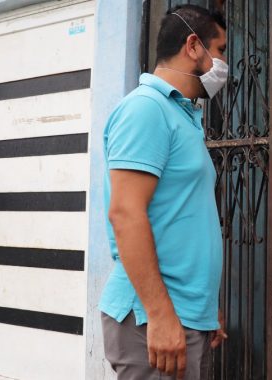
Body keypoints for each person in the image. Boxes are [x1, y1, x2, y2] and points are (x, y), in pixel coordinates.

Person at [99, 5, 228, 380]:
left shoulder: (183, 116)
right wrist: (160, 314)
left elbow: (184, 216)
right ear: (193, 45)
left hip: (185, 313)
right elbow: (125, 213)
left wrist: (204, 308)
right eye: (219, 50)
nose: (223, 62)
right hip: (151, 318)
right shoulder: (146, 110)